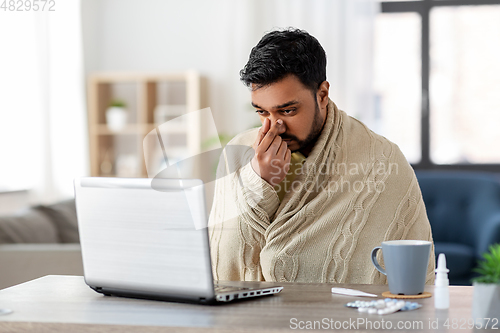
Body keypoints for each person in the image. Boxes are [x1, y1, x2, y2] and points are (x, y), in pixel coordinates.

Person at [208, 28, 435, 284]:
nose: (274, 126)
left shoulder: (382, 160)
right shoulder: (237, 153)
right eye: (262, 112)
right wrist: (258, 182)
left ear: (322, 95)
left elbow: (414, 276)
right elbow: (223, 254)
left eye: (288, 110)